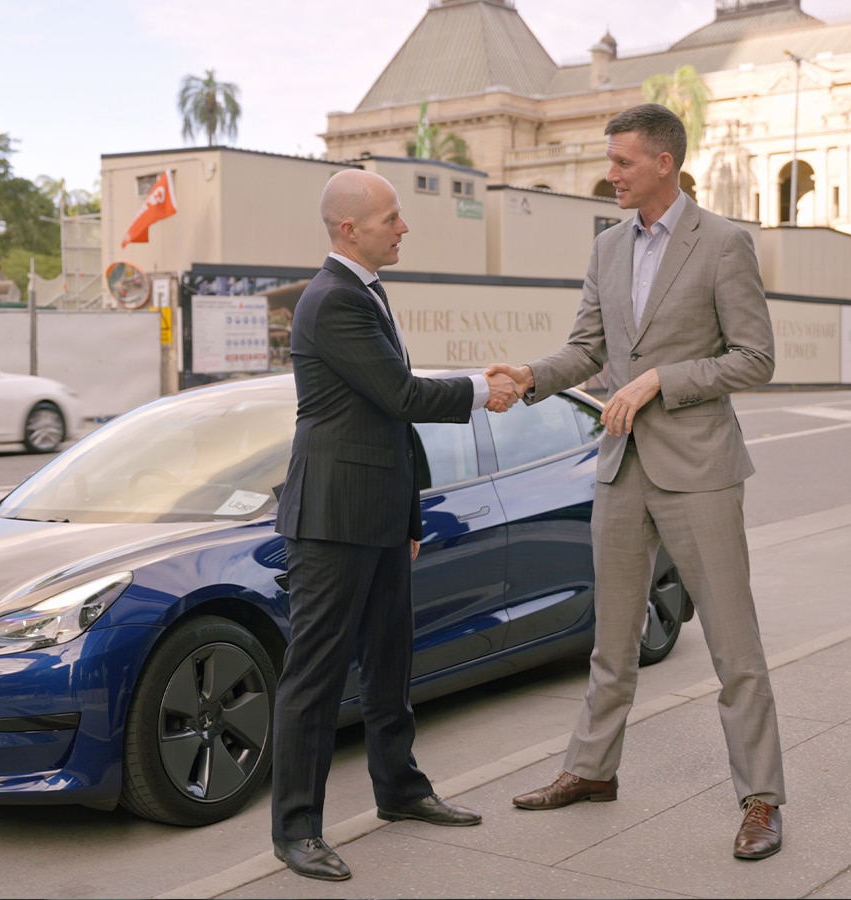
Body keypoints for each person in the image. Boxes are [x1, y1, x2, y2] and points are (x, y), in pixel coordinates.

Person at [489, 103, 785, 860]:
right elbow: (586, 347)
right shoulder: (607, 249)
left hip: (700, 472)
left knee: (733, 646)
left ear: (664, 163)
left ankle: (760, 798)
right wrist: (530, 376)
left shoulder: (723, 244)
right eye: (609, 161)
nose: (609, 174)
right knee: (611, 640)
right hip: (621, 470)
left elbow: (755, 358)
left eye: (621, 162)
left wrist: (660, 379)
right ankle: (592, 770)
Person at [270, 168, 519, 882]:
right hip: (332, 519)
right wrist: (483, 387)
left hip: (379, 517)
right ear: (349, 229)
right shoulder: (332, 301)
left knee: (389, 666)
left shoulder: (366, 294)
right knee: (313, 680)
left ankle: (400, 791)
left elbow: (384, 426)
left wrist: (408, 514)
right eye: (391, 218)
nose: (403, 227)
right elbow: (401, 395)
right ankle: (296, 832)